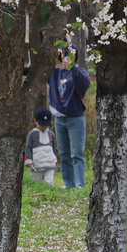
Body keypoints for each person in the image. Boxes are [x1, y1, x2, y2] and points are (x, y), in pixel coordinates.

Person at [47, 44, 90, 189]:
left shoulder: (80, 73)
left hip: (75, 118)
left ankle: (79, 184)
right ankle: (68, 183)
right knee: (64, 154)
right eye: (64, 53)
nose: (66, 57)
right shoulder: (55, 73)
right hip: (60, 119)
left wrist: (73, 69)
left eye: (70, 54)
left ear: (75, 56)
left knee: (77, 153)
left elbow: (84, 85)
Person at [25, 108, 58, 184]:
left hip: (50, 162)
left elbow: (53, 147)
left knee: (49, 182)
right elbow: (28, 147)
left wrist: (54, 158)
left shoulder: (51, 134)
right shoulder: (32, 134)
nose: (44, 127)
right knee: (36, 182)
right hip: (37, 163)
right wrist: (28, 159)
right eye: (42, 124)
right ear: (35, 121)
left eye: (46, 125)